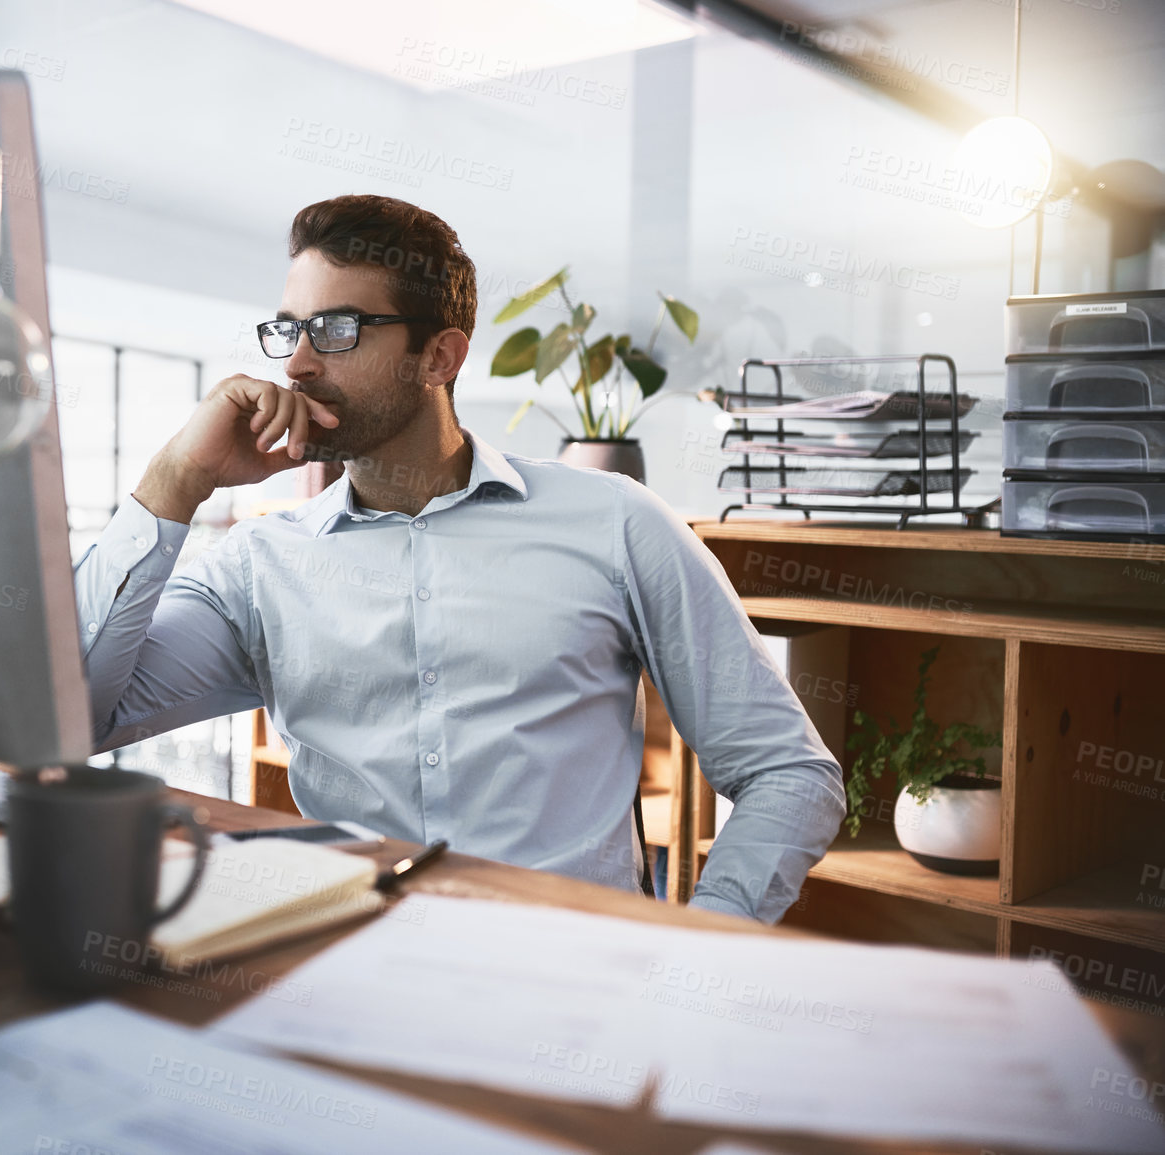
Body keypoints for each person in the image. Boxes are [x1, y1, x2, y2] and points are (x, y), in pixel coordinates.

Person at [73, 194, 844, 922]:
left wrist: (696, 939)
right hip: (346, 969)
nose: (298, 365)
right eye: (289, 331)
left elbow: (789, 772)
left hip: (576, 986)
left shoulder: (614, 523)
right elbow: (75, 717)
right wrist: (177, 479)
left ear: (438, 356)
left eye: (337, 329)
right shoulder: (257, 563)